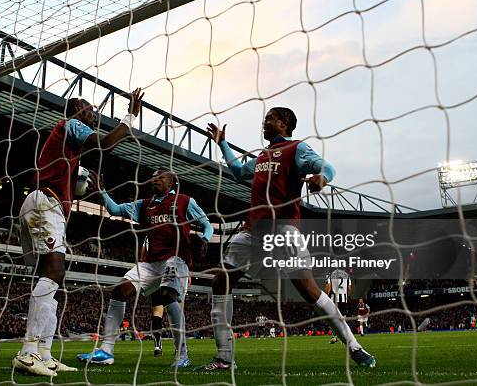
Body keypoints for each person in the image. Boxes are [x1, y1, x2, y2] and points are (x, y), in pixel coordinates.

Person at [197, 108, 376, 371]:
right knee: (221, 280)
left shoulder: (296, 149)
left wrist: (321, 178)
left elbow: (326, 167)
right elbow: (236, 171)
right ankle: (225, 358)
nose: (264, 122)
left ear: (284, 123)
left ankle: (354, 346)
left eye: (270, 118)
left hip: (283, 229)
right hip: (253, 230)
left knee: (307, 288)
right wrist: (222, 143)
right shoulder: (261, 156)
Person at [12, 89, 144, 377]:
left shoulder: (70, 151)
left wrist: (83, 180)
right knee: (53, 271)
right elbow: (107, 144)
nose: (92, 114)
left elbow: (76, 178)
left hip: (48, 206)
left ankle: (44, 354)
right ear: (75, 111)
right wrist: (130, 115)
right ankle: (27, 352)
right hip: (44, 203)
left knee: (54, 277)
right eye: (88, 110)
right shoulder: (69, 125)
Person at [76, 168, 213, 368]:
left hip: (175, 258)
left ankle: (182, 354)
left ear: (172, 182)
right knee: (119, 291)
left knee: (167, 296)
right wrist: (102, 192)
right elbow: (115, 210)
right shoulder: (144, 205)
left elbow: (207, 224)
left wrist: (205, 239)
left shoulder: (185, 201)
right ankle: (106, 351)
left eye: (161, 177)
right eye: (154, 177)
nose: (155, 180)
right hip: (149, 262)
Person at [325, 269, 351, 344]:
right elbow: (349, 288)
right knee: (343, 319)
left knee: (333, 319)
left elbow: (328, 287)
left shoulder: (330, 275)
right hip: (344, 299)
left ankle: (334, 337)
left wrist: (326, 297)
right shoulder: (347, 275)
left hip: (334, 300)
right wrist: (347, 297)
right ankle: (346, 337)